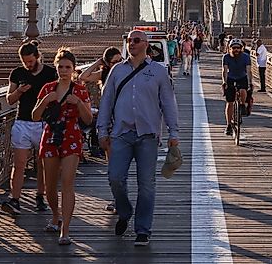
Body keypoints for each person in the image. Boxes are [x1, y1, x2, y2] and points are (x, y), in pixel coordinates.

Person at [97, 29, 180, 247]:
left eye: (136, 40)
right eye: (129, 40)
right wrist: (102, 130)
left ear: (146, 44)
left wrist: (174, 132)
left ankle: (143, 230)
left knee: (147, 184)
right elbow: (106, 102)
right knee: (115, 177)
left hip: (148, 135)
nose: (131, 44)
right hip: (121, 134)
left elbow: (168, 104)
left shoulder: (159, 72)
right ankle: (124, 211)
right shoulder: (116, 71)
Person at [32, 49, 92, 245]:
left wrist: (79, 104)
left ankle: (65, 230)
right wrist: (44, 101)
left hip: (71, 135)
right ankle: (56, 216)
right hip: (50, 135)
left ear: (73, 69)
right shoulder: (48, 88)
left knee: (67, 183)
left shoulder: (80, 90)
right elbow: (35, 116)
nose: (64, 70)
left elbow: (88, 119)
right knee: (50, 186)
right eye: (60, 67)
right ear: (56, 67)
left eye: (68, 67)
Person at [2, 40, 57, 215]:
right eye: (25, 62)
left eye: (31, 61)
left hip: (43, 123)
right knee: (19, 164)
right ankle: (15, 199)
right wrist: (19, 91)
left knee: (42, 164)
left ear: (37, 56)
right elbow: (9, 99)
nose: (28, 65)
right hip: (22, 123)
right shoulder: (17, 73)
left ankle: (40, 196)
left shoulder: (50, 73)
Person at [222, 38, 252, 135]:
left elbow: (248, 70)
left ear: (241, 48)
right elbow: (225, 70)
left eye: (238, 48)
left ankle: (242, 105)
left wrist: (250, 83)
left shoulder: (246, 57)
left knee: (243, 90)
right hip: (230, 78)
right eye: (234, 48)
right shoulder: (226, 57)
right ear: (230, 48)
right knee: (229, 102)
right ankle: (228, 125)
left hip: (242, 77)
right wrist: (224, 82)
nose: (236, 50)